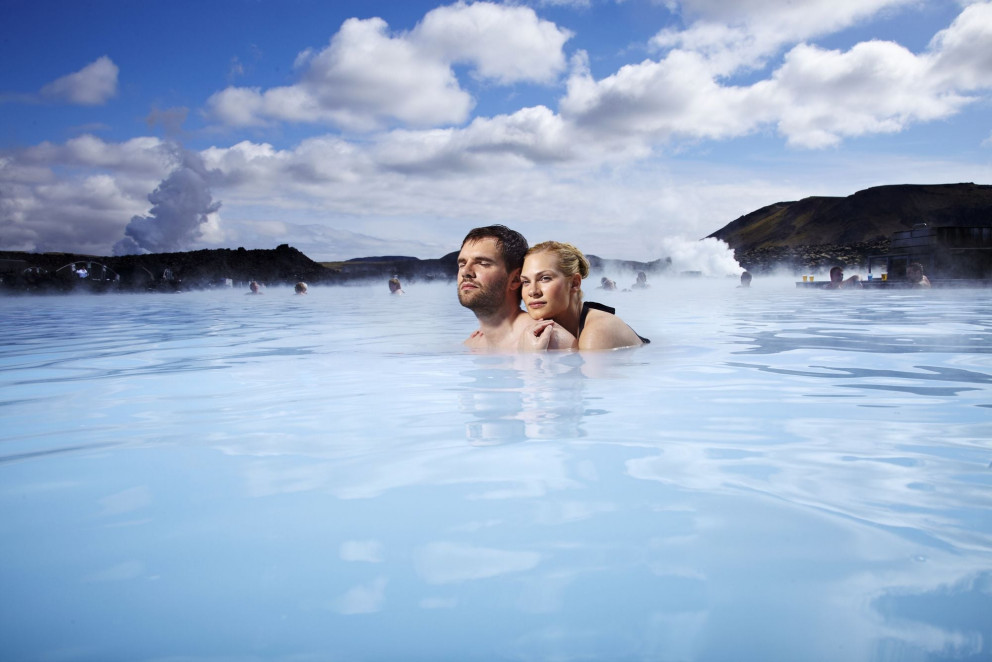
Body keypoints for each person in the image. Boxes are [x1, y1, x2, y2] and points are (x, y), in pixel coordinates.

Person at [457, 225, 573, 351]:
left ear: (515, 279)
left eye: (483, 263)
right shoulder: (472, 344)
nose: (465, 272)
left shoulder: (550, 339)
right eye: (462, 264)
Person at [519, 241, 649, 350]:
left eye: (545, 278)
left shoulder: (597, 332)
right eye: (526, 281)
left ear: (574, 283)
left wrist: (534, 359)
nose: (532, 291)